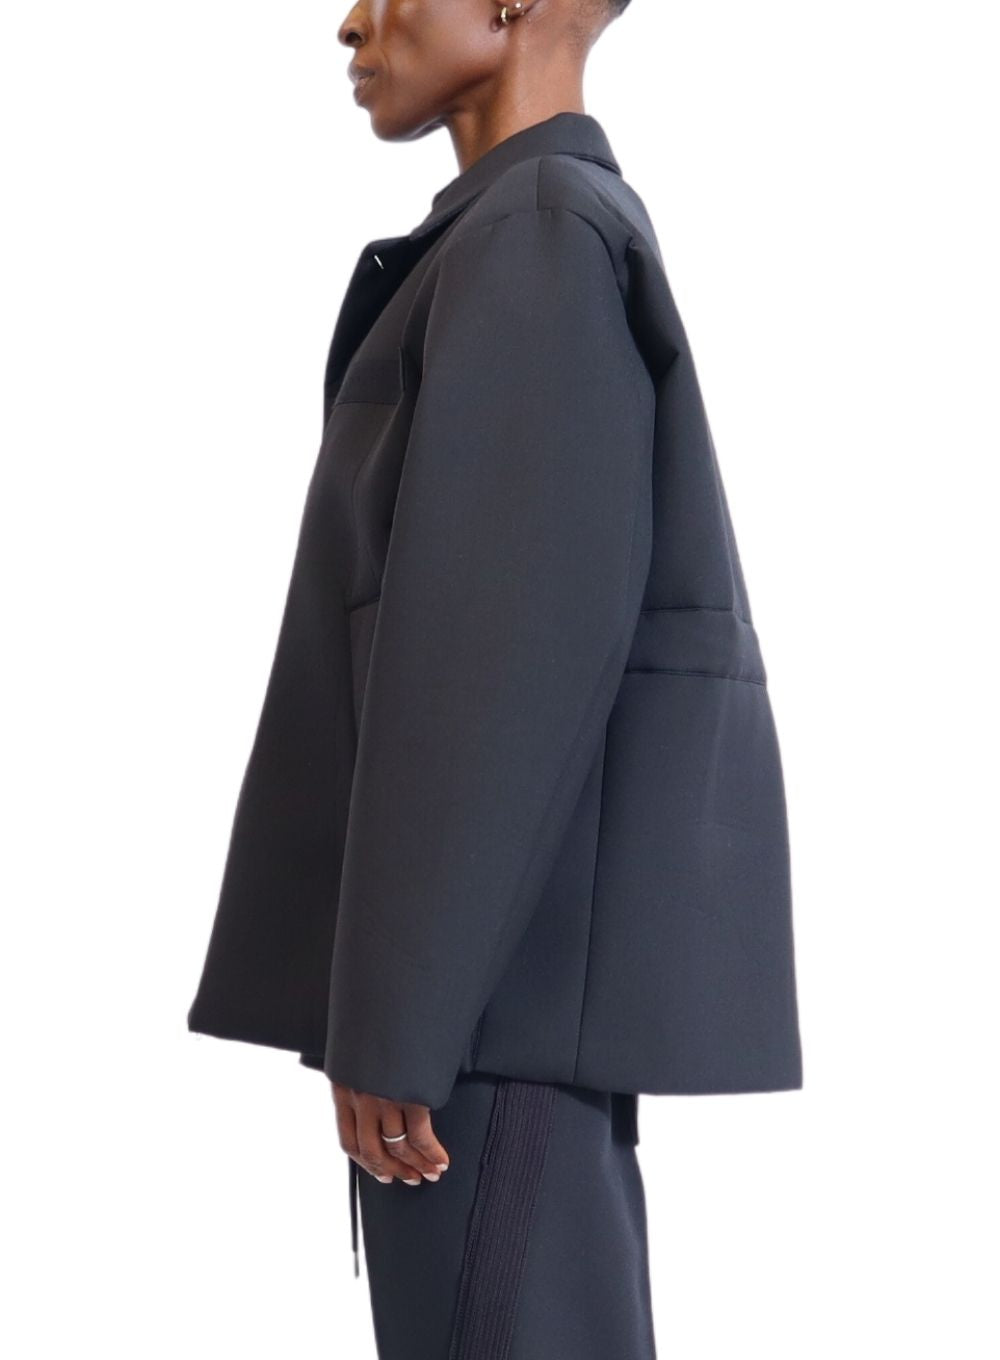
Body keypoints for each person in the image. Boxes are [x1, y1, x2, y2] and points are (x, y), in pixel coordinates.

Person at [187, 2, 803, 1355]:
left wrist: (399, 1023)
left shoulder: (536, 237)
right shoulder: (520, 233)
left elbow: (495, 665)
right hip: (488, 1012)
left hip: (483, 1020)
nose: (353, 21)